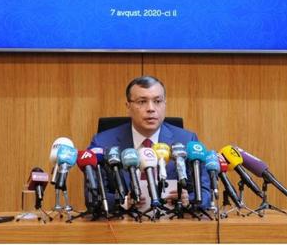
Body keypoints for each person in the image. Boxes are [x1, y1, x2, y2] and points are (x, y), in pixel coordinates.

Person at [89, 75, 211, 210]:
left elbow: (206, 192)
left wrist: (188, 200)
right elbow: (92, 196)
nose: (151, 108)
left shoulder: (186, 140)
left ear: (165, 104)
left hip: (172, 220)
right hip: (123, 221)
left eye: (157, 101)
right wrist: (122, 202)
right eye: (142, 102)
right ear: (128, 106)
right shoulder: (102, 142)